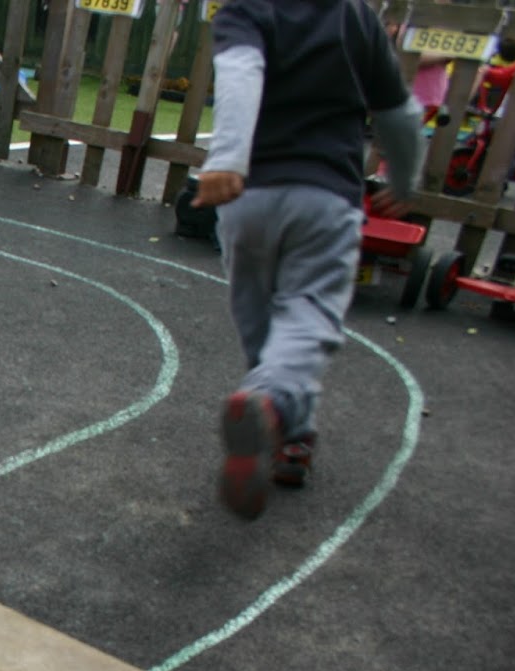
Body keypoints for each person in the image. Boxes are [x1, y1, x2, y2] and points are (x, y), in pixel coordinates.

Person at [192, 0, 424, 520]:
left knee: (258, 317)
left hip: (247, 197)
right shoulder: (356, 17)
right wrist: (406, 180)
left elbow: (240, 74)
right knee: (308, 312)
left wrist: (227, 158)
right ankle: (273, 405)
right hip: (325, 197)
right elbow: (399, 113)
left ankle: (291, 434)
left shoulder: (245, 10)